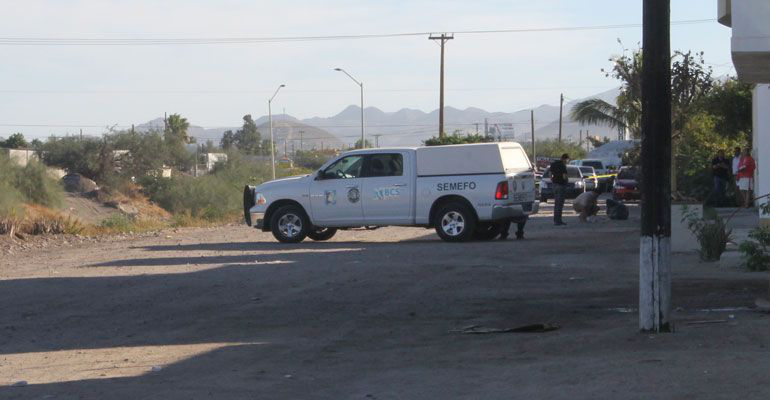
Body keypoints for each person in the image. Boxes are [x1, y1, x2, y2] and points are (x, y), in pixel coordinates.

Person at [550, 153, 570, 226]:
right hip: (561, 185)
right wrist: (567, 181)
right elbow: (564, 176)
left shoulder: (554, 164)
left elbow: (550, 174)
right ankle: (558, 221)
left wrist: (552, 180)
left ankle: (555, 220)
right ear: (565, 159)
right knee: (560, 204)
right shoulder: (563, 165)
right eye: (568, 160)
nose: (568, 161)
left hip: (554, 185)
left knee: (556, 203)